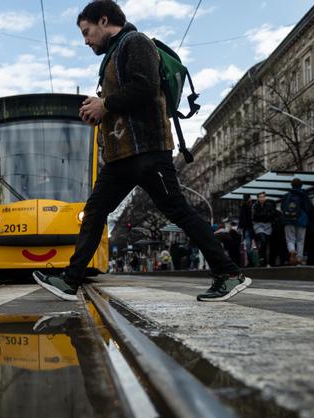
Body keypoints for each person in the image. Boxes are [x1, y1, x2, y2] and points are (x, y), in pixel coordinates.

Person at [33, 1, 250, 302]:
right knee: (95, 211)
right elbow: (123, 96)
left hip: (148, 151)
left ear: (104, 20)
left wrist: (105, 104)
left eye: (87, 32)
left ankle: (228, 273)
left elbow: (145, 87)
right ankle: (70, 280)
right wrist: (98, 107)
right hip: (122, 156)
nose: (85, 41)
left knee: (179, 211)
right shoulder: (113, 54)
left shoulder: (136, 42)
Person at [280, 178, 314, 265]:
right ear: (301, 185)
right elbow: (309, 208)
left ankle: (292, 251)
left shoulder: (287, 196)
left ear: (291, 185)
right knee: (300, 240)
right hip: (301, 220)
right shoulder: (304, 195)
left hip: (288, 220)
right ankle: (299, 258)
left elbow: (282, 208)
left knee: (290, 239)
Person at [251, 192, 276, 267]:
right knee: (263, 239)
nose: (262, 198)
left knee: (266, 243)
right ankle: (262, 257)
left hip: (267, 225)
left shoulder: (269, 205)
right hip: (258, 225)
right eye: (260, 197)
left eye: (263, 197)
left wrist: (263, 216)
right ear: (258, 198)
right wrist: (264, 216)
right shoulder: (255, 206)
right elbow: (254, 216)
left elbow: (271, 214)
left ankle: (264, 259)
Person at [239, 194, 254, 265]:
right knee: (248, 245)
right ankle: (250, 260)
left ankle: (252, 260)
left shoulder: (253, 206)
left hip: (253, 228)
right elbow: (241, 218)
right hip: (248, 228)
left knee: (249, 245)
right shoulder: (244, 207)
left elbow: (241, 218)